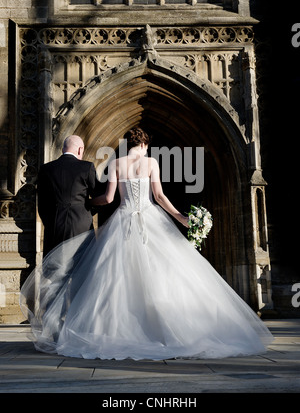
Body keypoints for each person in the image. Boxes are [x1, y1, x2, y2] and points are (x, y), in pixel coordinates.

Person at [20, 127, 273, 360]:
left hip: (123, 221)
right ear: (144, 145)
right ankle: (163, 328)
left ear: (127, 144)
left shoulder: (116, 163)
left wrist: (86, 203)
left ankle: (103, 331)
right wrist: (181, 218)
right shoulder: (151, 162)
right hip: (150, 220)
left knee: (114, 279)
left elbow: (107, 199)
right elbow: (160, 197)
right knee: (163, 273)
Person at [37, 135, 100, 256]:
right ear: (80, 149)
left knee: (56, 268)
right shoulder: (87, 167)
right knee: (81, 266)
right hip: (81, 225)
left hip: (55, 226)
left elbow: (42, 204)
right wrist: (87, 210)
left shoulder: (46, 169)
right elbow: (99, 196)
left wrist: (51, 222)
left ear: (63, 149)